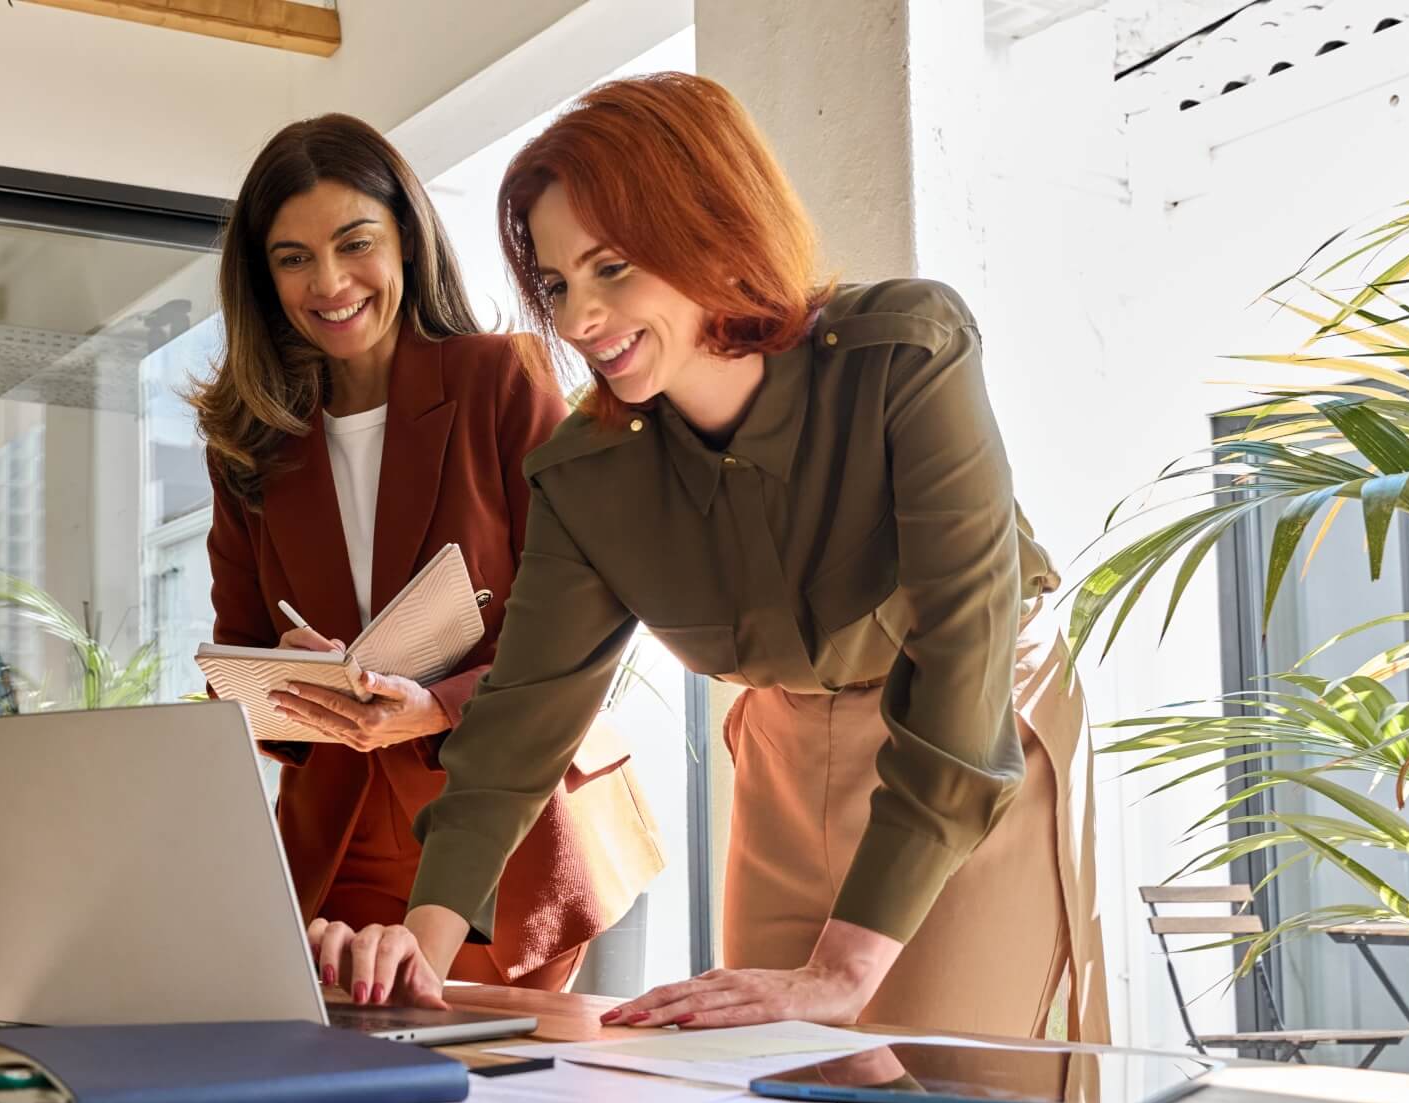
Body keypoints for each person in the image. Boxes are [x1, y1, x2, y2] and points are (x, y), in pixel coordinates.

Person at [305, 74, 1109, 1041]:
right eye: (557, 285)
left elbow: (962, 658)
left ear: (711, 228)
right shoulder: (588, 473)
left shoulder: (904, 357)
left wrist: (842, 970)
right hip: (778, 751)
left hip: (971, 742)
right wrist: (417, 954)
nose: (576, 320)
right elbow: (521, 725)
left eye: (610, 269)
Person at [191, 113, 662, 1002]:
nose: (328, 282)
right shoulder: (247, 446)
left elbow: (580, 630)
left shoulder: (501, 382)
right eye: (292, 258)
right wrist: (281, 685)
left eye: (353, 242)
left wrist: (431, 706)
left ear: (405, 236)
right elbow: (232, 667)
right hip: (339, 844)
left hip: (510, 827)